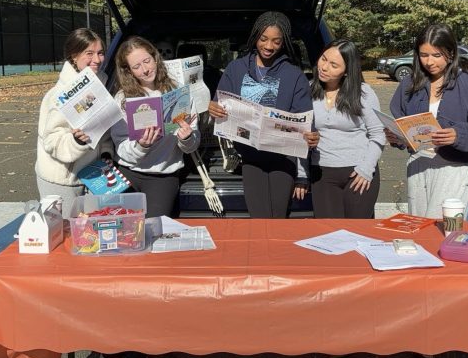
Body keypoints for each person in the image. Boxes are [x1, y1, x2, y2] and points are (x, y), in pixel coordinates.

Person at [208, 11, 318, 218]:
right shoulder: (236, 68)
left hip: (283, 159)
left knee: (278, 219)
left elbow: (305, 119)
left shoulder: (293, 74)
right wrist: (214, 109)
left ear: (284, 42)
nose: (269, 46)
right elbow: (219, 107)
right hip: (248, 158)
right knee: (258, 220)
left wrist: (310, 135)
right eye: (264, 39)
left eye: (276, 41)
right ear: (255, 37)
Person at [387, 23, 468, 219]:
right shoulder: (409, 83)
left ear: (451, 53)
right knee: (419, 226)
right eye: (423, 55)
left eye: (436, 55)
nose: (429, 62)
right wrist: (396, 137)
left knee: (446, 229)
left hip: (455, 167)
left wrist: (458, 135)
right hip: (419, 163)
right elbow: (400, 119)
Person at [110, 36, 200, 219]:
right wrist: (141, 146)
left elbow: (192, 145)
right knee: (125, 232)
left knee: (154, 231)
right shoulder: (122, 99)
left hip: (163, 176)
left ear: (155, 57)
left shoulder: (179, 92)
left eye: (147, 61)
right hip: (128, 174)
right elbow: (120, 147)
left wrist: (187, 138)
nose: (145, 70)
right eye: (136, 67)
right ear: (128, 71)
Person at [295, 40, 386, 218]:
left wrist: (366, 169)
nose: (324, 67)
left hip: (358, 175)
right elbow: (300, 136)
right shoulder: (307, 89)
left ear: (346, 71)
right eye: (323, 59)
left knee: (358, 236)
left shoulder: (363, 93)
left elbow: (378, 134)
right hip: (322, 175)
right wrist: (302, 174)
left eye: (334, 65)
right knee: (329, 237)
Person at [35, 28, 111, 218]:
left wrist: (107, 152)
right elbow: (51, 141)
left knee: (90, 237)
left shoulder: (100, 85)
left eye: (100, 53)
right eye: (89, 53)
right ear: (74, 56)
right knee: (64, 238)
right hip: (61, 181)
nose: (97, 59)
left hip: (92, 177)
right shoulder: (60, 94)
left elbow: (105, 129)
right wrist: (77, 142)